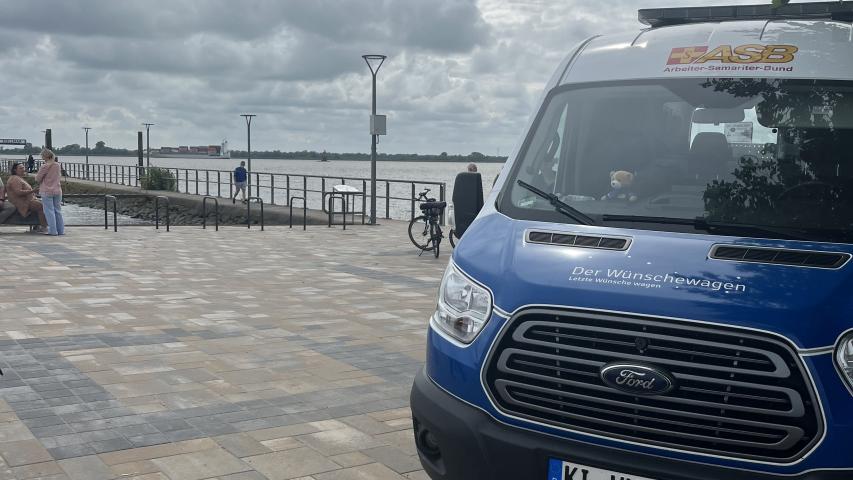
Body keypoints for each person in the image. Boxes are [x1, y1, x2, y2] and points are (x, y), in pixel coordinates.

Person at [6, 162, 47, 232]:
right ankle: (43, 227)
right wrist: (32, 191)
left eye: (23, 168)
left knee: (45, 204)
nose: (23, 169)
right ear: (15, 170)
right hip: (22, 202)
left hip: (27, 200)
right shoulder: (14, 179)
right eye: (21, 168)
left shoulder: (19, 178)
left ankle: (37, 226)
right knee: (41, 206)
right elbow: (18, 192)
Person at [35, 149, 65, 236]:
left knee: (49, 211)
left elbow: (38, 179)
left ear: (45, 156)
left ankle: (53, 231)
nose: (42, 158)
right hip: (57, 190)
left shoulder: (44, 166)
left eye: (42, 156)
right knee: (58, 211)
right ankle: (61, 230)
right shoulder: (57, 165)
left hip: (46, 191)